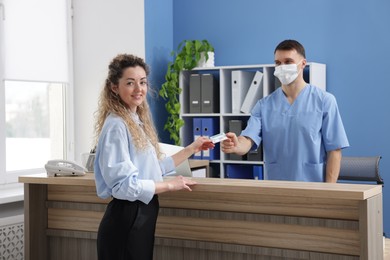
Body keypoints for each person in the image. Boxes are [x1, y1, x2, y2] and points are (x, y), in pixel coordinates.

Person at [93, 54, 214, 260]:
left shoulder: (134, 120)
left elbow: (153, 169)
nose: (139, 89)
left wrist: (192, 148)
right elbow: (124, 187)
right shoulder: (116, 125)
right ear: (114, 87)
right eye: (130, 83)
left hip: (141, 215)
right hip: (127, 217)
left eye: (142, 82)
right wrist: (169, 186)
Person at [221, 39, 349, 183]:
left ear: (303, 64)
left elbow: (335, 151)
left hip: (314, 186)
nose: (282, 67)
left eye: (288, 62)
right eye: (278, 63)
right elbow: (248, 139)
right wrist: (237, 145)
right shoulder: (264, 105)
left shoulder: (325, 101)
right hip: (277, 186)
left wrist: (329, 191)